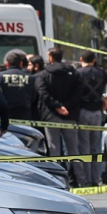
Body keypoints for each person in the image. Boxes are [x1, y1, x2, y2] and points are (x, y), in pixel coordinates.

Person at [35, 48, 83, 184]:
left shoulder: (43, 74)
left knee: (54, 149)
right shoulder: (74, 73)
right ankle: (81, 180)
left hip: (50, 116)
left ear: (50, 57)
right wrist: (65, 106)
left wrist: (57, 106)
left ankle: (56, 180)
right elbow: (79, 92)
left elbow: (43, 93)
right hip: (70, 115)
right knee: (73, 149)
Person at [76, 51, 107, 188]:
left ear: (81, 59)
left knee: (84, 147)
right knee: (96, 147)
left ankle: (86, 180)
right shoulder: (102, 73)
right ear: (94, 60)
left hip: (82, 111)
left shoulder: (78, 73)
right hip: (97, 112)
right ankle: (96, 178)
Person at [0, 50, 35, 122]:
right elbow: (34, 96)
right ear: (21, 64)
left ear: (7, 64)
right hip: (24, 114)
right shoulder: (31, 78)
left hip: (4, 114)